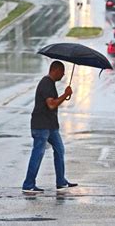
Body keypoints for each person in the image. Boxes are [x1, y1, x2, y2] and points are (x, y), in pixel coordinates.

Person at [22, 61, 78, 193]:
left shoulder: (50, 83)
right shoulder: (46, 83)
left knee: (60, 150)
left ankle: (61, 181)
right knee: (38, 153)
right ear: (56, 70)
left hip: (51, 126)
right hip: (41, 125)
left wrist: (65, 95)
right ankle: (28, 184)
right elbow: (51, 104)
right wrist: (65, 94)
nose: (63, 75)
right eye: (62, 72)